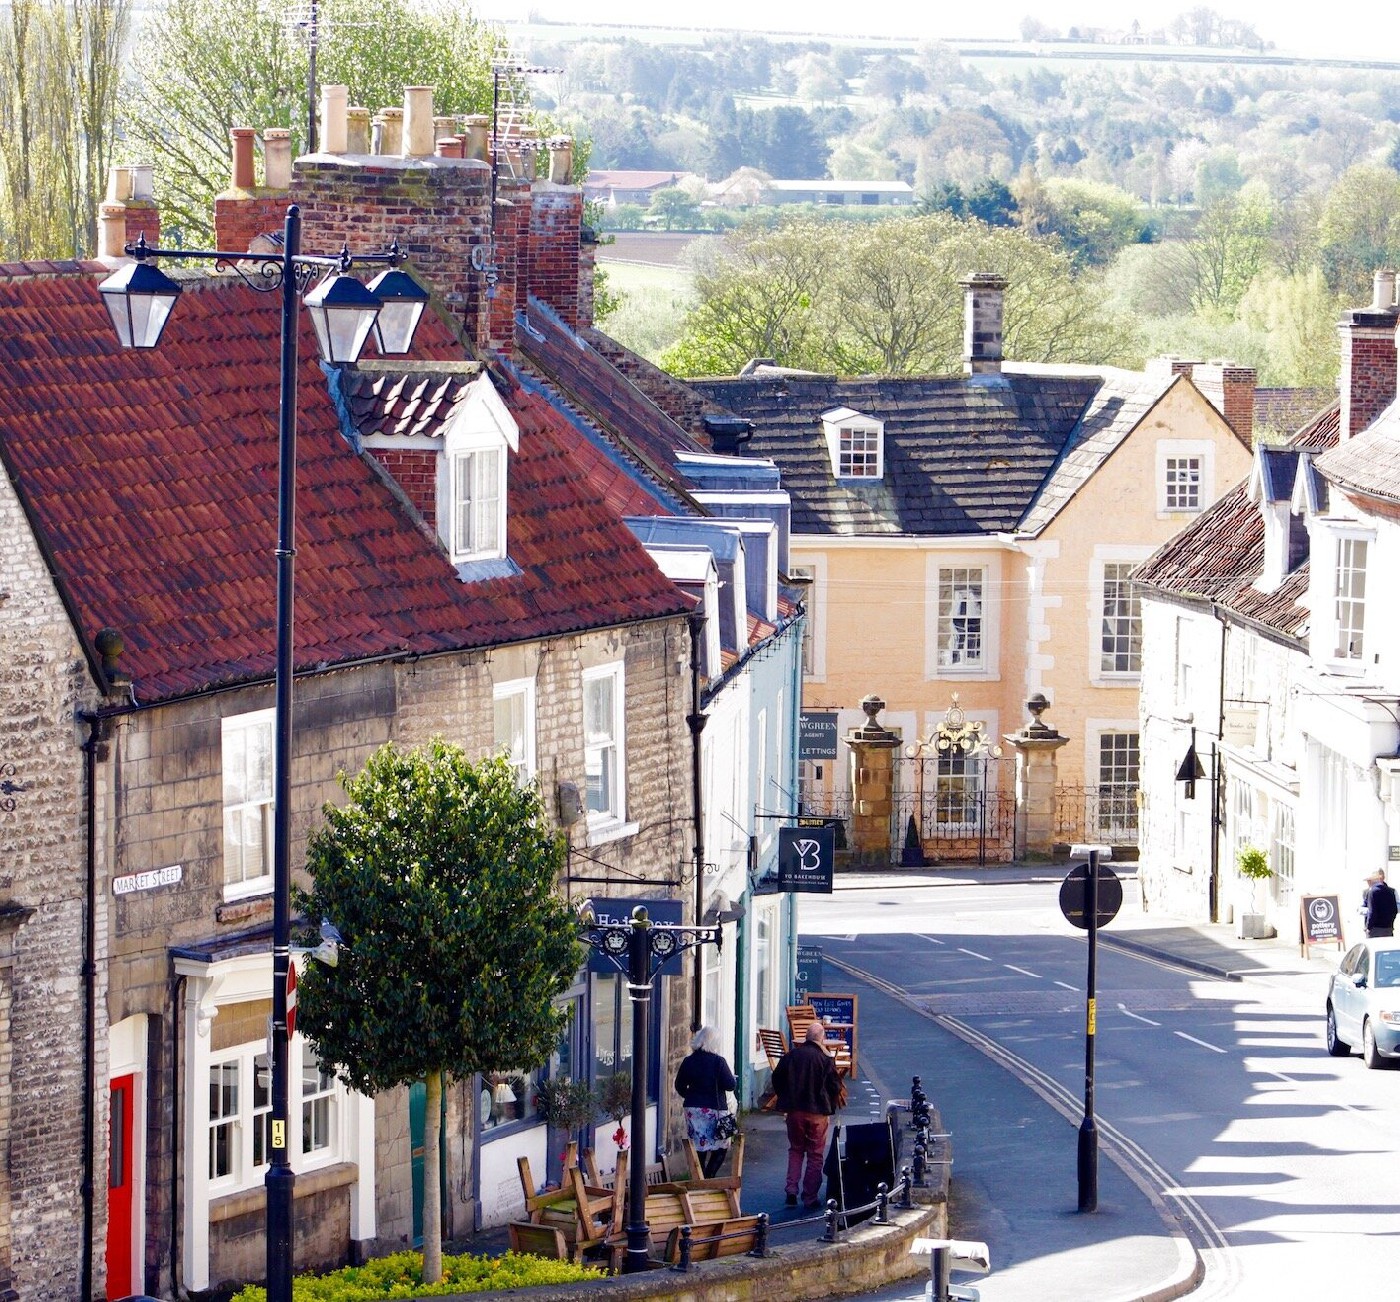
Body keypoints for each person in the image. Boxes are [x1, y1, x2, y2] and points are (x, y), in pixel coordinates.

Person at [771, 1021, 843, 1209]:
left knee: (795, 1150)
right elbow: (835, 1086)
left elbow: (777, 1078)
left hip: (794, 1111)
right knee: (815, 1154)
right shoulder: (825, 1059)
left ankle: (791, 1190)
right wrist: (831, 1103)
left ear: (806, 1038)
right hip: (818, 1113)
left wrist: (784, 1096)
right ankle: (810, 1197)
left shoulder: (791, 1056)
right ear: (821, 1038)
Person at [674, 1025, 738, 1178]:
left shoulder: (689, 1061)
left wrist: (691, 1097)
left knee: (699, 1145)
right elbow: (730, 1085)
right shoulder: (718, 1062)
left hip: (693, 1109)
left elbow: (679, 1085)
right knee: (721, 1146)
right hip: (715, 1109)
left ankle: (700, 1178)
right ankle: (709, 1177)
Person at [1364, 868, 1399, 938]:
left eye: (1369, 881)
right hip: (1388, 928)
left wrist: (1368, 927)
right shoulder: (1391, 891)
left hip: (1375, 929)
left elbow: (1372, 912)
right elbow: (1394, 910)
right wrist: (1390, 923)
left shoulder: (1372, 892)